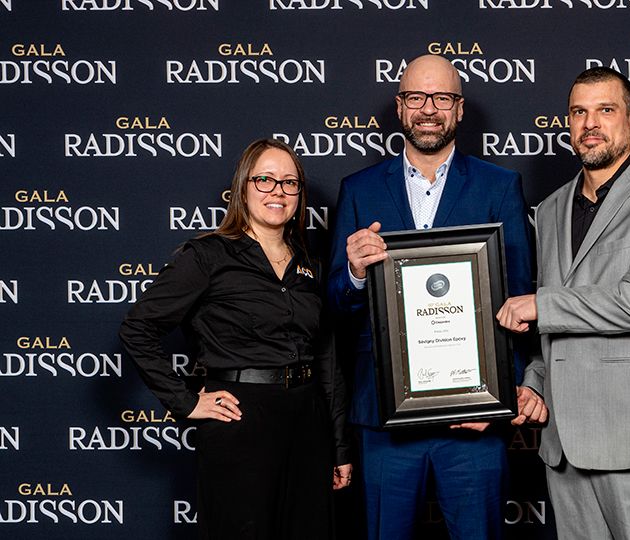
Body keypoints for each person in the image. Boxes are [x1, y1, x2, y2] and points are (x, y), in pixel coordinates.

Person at [327, 54, 534, 540]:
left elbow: (521, 300)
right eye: (416, 97)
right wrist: (355, 271)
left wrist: (502, 397)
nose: (429, 109)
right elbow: (335, 306)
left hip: (473, 417)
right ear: (400, 108)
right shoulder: (357, 190)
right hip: (383, 415)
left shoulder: (500, 186)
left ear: (459, 109)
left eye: (442, 98)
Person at [497, 67, 630, 540]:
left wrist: (541, 305)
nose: (590, 123)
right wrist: (535, 383)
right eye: (579, 112)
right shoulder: (550, 209)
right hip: (565, 444)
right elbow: (553, 329)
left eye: (605, 110)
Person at [119, 138, 351, 540]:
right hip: (241, 420)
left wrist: (339, 446)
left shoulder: (310, 264)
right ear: (243, 187)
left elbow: (327, 359)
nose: (278, 191)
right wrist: (186, 401)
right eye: (265, 179)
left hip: (307, 420)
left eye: (289, 182)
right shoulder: (208, 256)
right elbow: (137, 328)